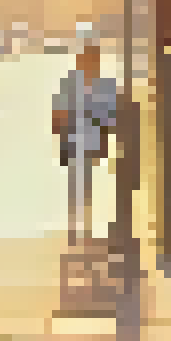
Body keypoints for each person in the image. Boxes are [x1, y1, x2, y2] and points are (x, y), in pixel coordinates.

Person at [52, 42, 119, 244]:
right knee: (78, 180)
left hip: (93, 137)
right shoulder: (71, 82)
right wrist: (59, 133)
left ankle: (82, 223)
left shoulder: (104, 85)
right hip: (74, 136)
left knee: (85, 181)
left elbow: (111, 115)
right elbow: (59, 111)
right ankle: (78, 223)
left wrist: (107, 135)